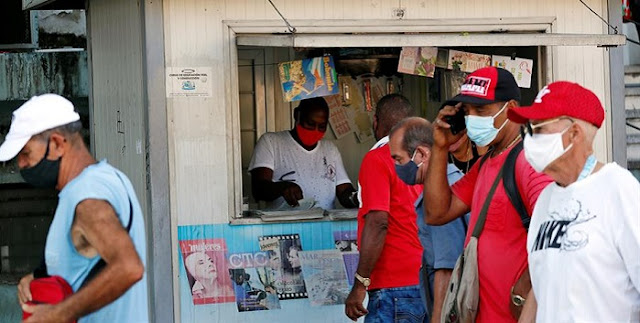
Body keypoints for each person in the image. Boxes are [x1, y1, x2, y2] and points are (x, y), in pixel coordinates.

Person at [2, 94, 148, 322]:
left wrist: (57, 314)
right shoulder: (109, 178)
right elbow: (86, 264)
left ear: (58, 143)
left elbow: (129, 267)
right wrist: (38, 277)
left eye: (25, 153)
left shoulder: (87, 196)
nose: (21, 165)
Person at [424, 67, 552, 323]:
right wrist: (440, 148)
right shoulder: (487, 163)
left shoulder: (529, 164)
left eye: (481, 110)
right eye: (468, 111)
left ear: (512, 108)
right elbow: (437, 213)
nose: (472, 118)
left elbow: (553, 248)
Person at [507, 81, 640, 322]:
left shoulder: (619, 189)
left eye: (538, 128)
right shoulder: (546, 199)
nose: (529, 138)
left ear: (574, 133)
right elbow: (540, 290)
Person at [344, 94, 425, 322]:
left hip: (393, 286)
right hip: (427, 281)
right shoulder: (426, 158)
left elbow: (378, 222)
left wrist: (360, 283)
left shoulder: (378, 159)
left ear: (376, 122)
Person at [388, 117, 469, 323]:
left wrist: (437, 318)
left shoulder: (441, 196)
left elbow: (447, 267)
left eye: (399, 159)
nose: (397, 167)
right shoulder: (454, 183)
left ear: (422, 154)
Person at [248, 97, 357, 210]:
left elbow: (344, 190)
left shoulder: (330, 149)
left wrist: (356, 198)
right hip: (285, 225)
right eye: (310, 124)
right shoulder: (271, 142)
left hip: (324, 224)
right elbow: (258, 189)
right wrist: (283, 187)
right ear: (296, 115)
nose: (315, 130)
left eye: (321, 127)